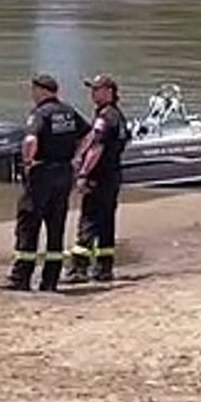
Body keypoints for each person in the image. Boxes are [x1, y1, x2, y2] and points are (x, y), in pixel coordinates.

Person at [0, 74, 91, 293]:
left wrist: (28, 161)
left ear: (40, 90)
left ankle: (21, 278)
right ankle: (50, 280)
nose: (32, 95)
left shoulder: (40, 113)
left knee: (29, 223)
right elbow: (88, 135)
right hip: (64, 172)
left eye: (33, 90)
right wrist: (76, 157)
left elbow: (31, 139)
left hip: (42, 172)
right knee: (56, 226)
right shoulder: (69, 111)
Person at [65, 74, 130, 283]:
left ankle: (79, 269)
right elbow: (94, 139)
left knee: (89, 221)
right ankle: (104, 268)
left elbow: (97, 147)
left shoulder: (106, 117)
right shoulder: (117, 116)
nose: (93, 93)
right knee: (106, 222)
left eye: (97, 89)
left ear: (109, 92)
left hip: (99, 177)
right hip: (112, 176)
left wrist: (83, 173)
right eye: (92, 89)